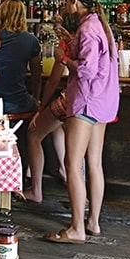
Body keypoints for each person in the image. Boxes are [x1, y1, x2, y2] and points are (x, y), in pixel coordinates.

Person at [45, 0, 119, 243]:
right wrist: (70, 40)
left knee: (72, 164)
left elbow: (86, 70)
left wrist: (64, 59)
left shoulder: (87, 29)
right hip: (104, 102)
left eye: (66, 0)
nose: (65, 4)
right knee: (94, 163)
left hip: (87, 101)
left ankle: (76, 229)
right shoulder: (99, 24)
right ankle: (93, 222)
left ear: (74, 1)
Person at [25, 11, 80, 203]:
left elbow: (53, 80)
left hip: (72, 99)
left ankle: (36, 190)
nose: (57, 34)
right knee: (55, 125)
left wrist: (40, 108)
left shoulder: (66, 46)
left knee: (33, 132)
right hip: (93, 103)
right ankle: (64, 172)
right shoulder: (84, 39)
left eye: (58, 29)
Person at [0, 0, 41, 114]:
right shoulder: (30, 41)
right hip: (19, 103)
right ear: (23, 16)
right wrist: (36, 99)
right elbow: (36, 76)